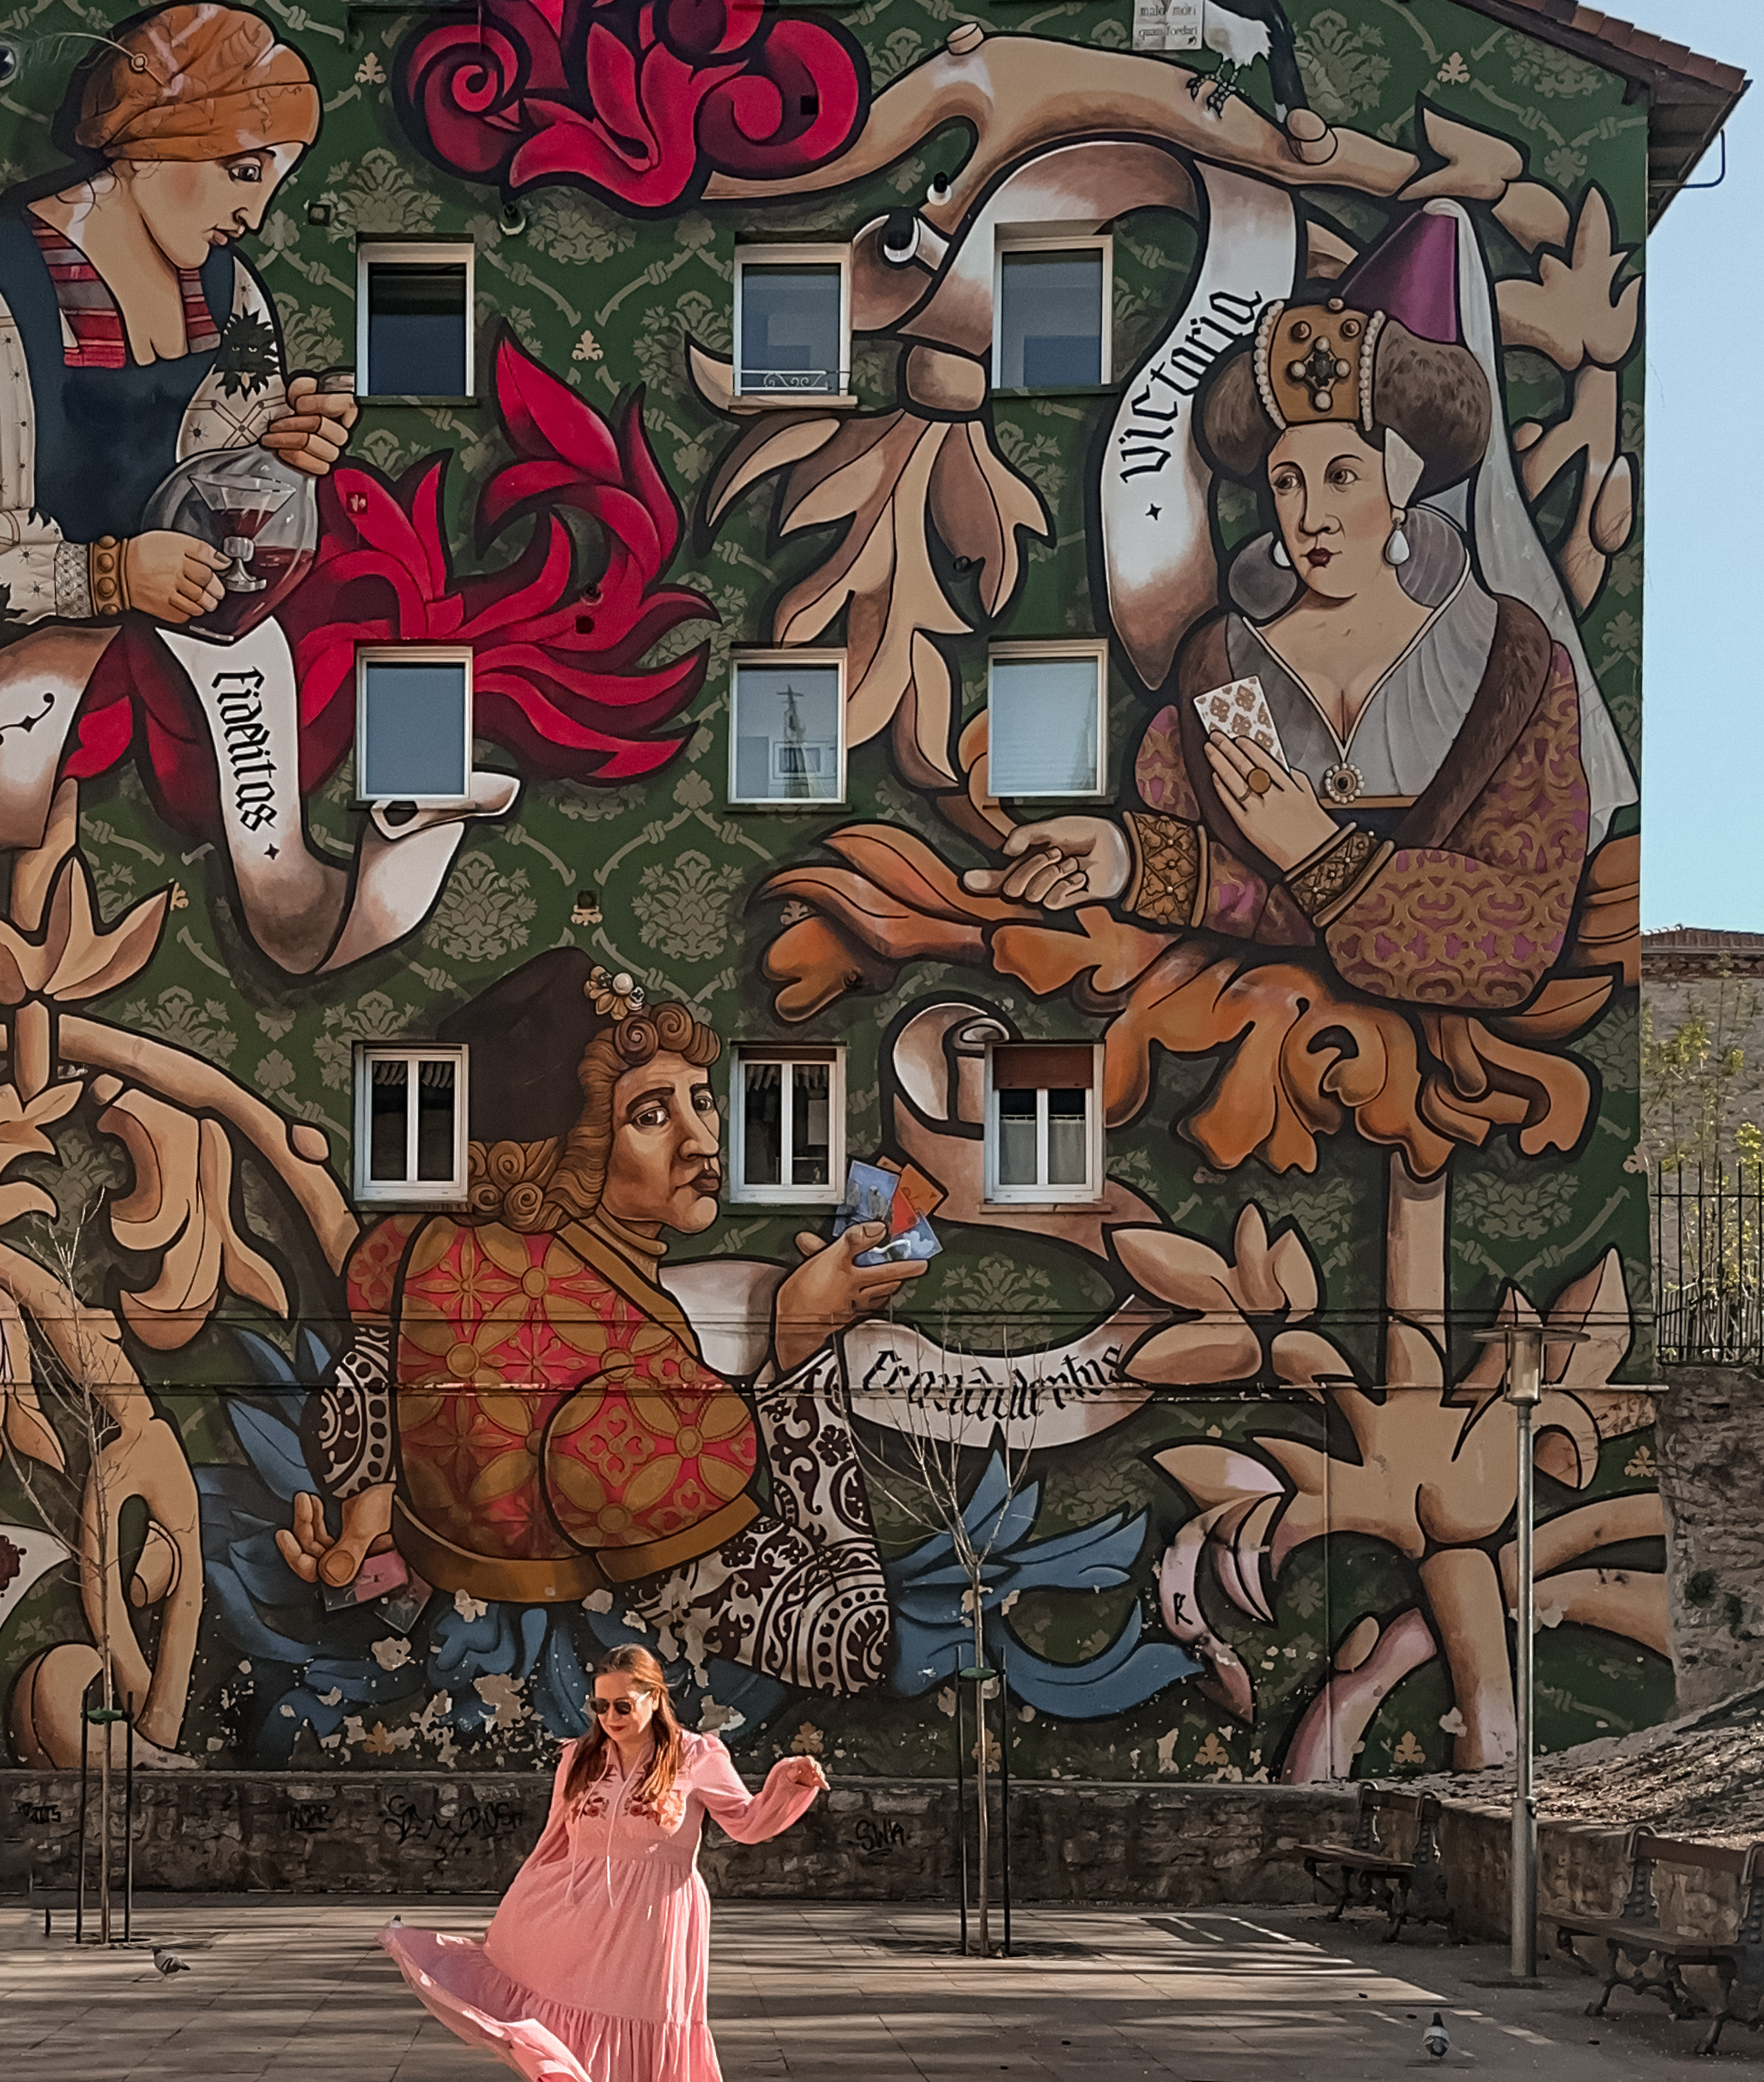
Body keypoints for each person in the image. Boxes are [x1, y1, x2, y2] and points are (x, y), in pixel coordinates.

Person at [979, 207, 1591, 1016]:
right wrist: (1123, 856)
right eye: (1287, 483)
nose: (1310, 519)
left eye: (1341, 475)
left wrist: (1313, 844)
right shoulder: (1226, 670)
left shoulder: (1504, 664)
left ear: (1400, 481)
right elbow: (1264, 898)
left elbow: (1519, 931)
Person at [280, 950, 927, 1694]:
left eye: (700, 1099)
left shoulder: (431, 1251)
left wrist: (380, 1503)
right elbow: (848, 1643)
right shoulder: (632, 1411)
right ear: (568, 1153)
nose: (705, 1142)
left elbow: (363, 1406)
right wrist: (802, 1346)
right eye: (651, 1115)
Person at [0, 0, 358, 648]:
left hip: (183, 671)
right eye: (243, 173)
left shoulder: (230, 293)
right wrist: (105, 578)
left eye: (271, 184)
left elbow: (228, 502)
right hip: (8, 688)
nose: (252, 217)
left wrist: (285, 450)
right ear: (152, 138)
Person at [381, 1645, 826, 2082]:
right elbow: (554, 1845)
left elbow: (746, 1823)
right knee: (592, 2067)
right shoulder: (581, 1759)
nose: (610, 1715)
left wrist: (788, 1784)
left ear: (654, 1697)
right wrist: (516, 1923)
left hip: (660, 1927)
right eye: (600, 1704)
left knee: (646, 2065)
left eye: (623, 1703)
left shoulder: (697, 1756)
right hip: (582, 1923)